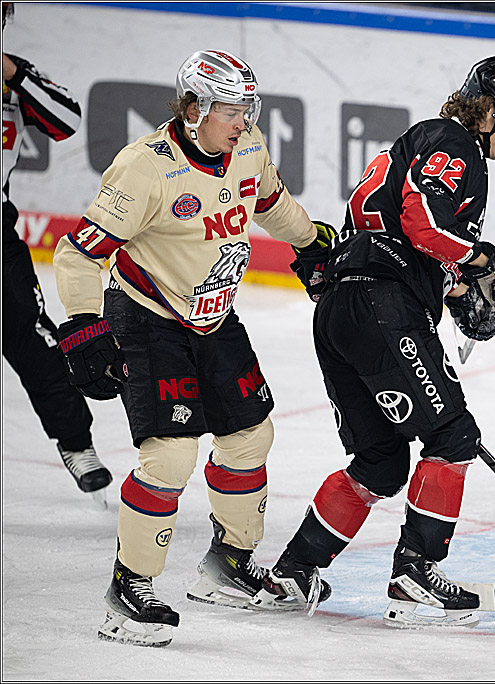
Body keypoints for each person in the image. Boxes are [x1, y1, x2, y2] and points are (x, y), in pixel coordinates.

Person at [52, 48, 331, 647]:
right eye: (232, 108)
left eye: (249, 108)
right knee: (171, 456)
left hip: (215, 315)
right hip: (149, 318)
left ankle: (228, 565)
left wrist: (312, 244)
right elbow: (78, 253)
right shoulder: (144, 168)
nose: (244, 120)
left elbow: (271, 204)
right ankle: (129, 588)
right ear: (193, 107)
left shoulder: (249, 147)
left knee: (251, 434)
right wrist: (83, 328)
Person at [252, 56, 495, 628]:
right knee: (452, 436)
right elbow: (424, 227)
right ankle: (415, 578)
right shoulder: (454, 141)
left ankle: (294, 571)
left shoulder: (423, 142)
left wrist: (458, 293)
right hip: (382, 308)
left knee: (379, 464)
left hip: (345, 307)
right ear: (488, 110)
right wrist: (487, 257)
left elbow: (413, 235)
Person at [2, 2, 113, 502]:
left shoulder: (14, 77)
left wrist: (11, 72)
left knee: (33, 336)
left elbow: (66, 120)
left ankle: (77, 443)